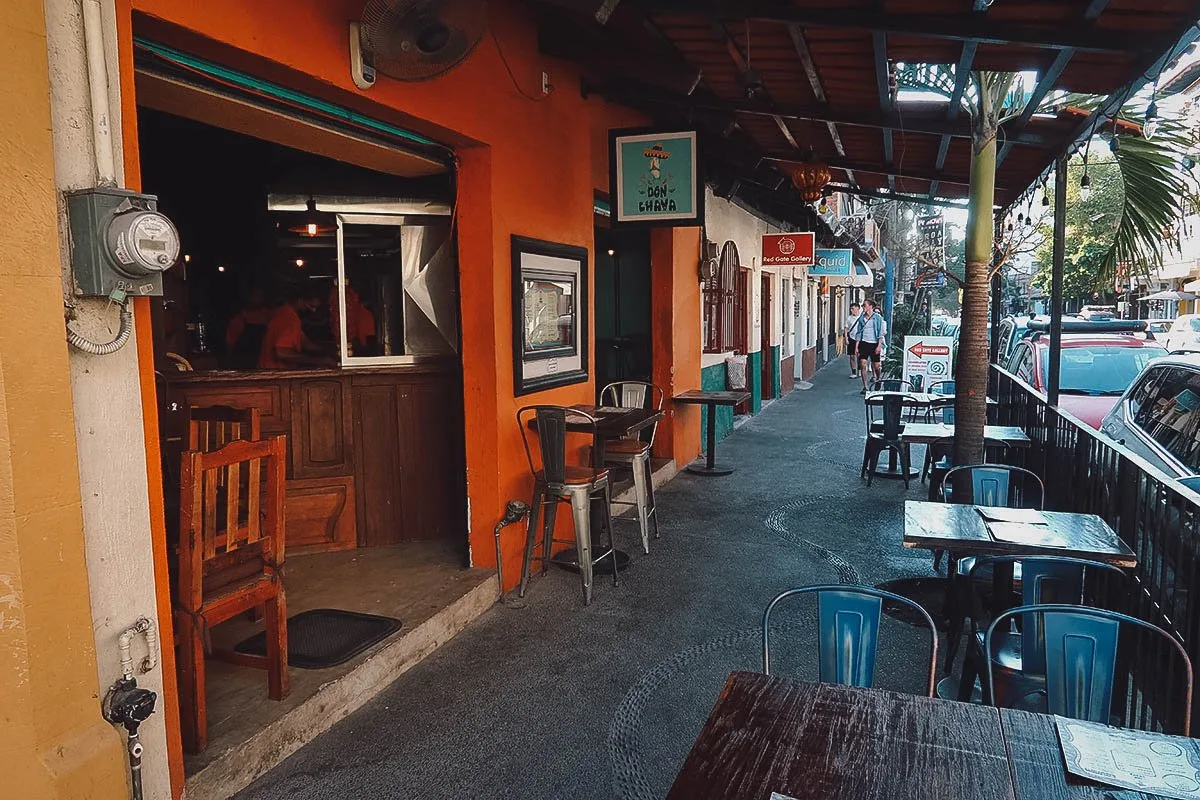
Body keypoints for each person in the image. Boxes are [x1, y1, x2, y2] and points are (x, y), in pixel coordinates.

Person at [257, 287, 330, 369]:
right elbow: (282, 353)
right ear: (300, 300)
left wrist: (329, 352)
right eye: (311, 306)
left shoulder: (284, 312)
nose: (313, 311)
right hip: (275, 374)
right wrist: (319, 361)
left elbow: (306, 343)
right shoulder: (290, 318)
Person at [853, 299, 887, 394]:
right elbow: (858, 333)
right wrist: (856, 346)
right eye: (863, 305)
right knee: (863, 364)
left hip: (874, 343)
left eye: (864, 305)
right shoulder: (861, 318)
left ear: (871, 306)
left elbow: (880, 332)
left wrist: (879, 345)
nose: (863, 307)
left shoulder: (877, 318)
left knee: (876, 366)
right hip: (864, 343)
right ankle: (865, 386)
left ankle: (878, 379)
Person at [844, 301, 861, 379]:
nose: (851, 310)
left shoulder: (862, 317)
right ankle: (853, 372)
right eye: (851, 309)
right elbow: (846, 328)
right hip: (851, 338)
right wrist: (846, 339)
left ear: (858, 309)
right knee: (852, 356)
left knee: (860, 356)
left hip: (860, 339)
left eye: (853, 309)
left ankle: (860, 370)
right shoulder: (849, 318)